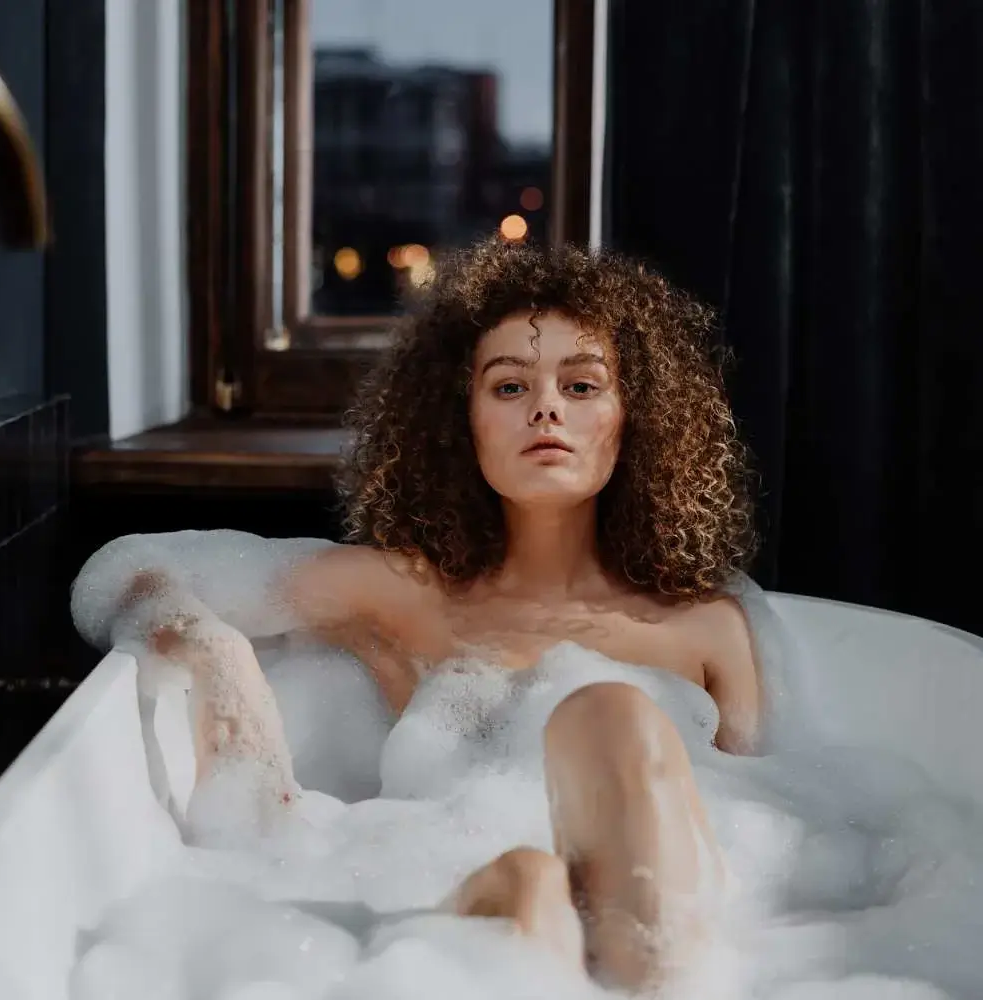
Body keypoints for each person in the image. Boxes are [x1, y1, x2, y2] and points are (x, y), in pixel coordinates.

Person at [96, 238, 761, 994]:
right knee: (531, 881)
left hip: (665, 934)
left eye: (582, 386)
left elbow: (751, 834)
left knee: (611, 716)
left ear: (632, 415)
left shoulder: (708, 629)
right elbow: (131, 572)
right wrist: (217, 657)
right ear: (461, 421)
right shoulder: (405, 594)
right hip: (455, 915)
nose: (546, 405)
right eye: (509, 387)